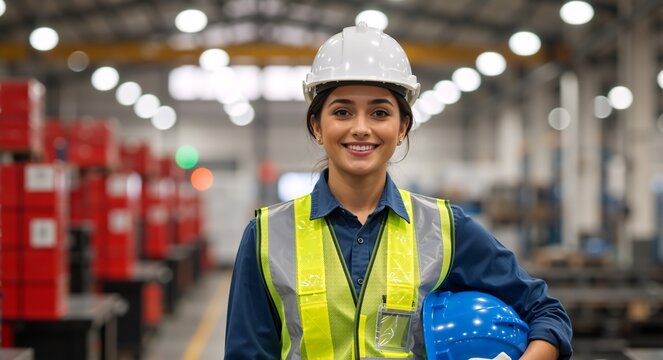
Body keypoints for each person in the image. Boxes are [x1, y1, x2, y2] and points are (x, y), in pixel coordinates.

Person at [225, 22, 572, 359]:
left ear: (402, 126)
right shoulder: (268, 236)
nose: (361, 129)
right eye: (342, 111)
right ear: (317, 125)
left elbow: (546, 313)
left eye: (379, 112)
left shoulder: (444, 228)